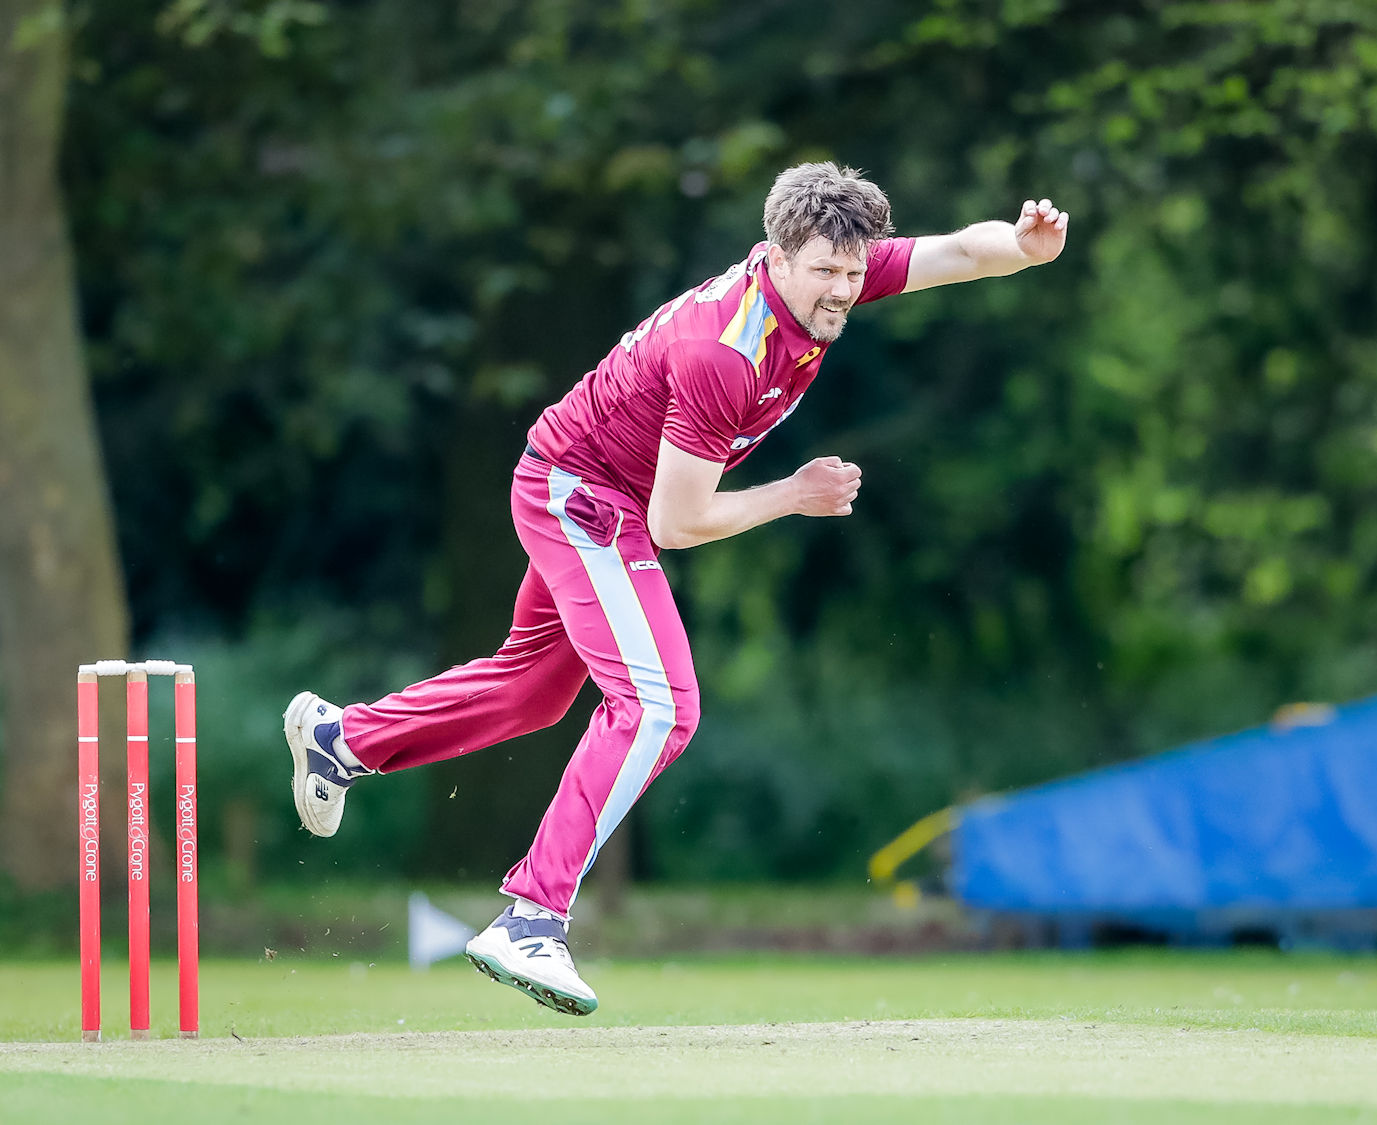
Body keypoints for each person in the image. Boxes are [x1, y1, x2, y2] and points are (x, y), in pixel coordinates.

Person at [283, 162, 1068, 1016]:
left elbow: (960, 251)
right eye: (826, 274)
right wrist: (795, 494)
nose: (843, 290)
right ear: (775, 254)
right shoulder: (720, 353)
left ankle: (343, 738)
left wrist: (1024, 250)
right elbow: (678, 522)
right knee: (659, 705)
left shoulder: (833, 272)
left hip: (589, 490)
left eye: (854, 272)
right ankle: (531, 918)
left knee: (536, 689)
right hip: (584, 496)